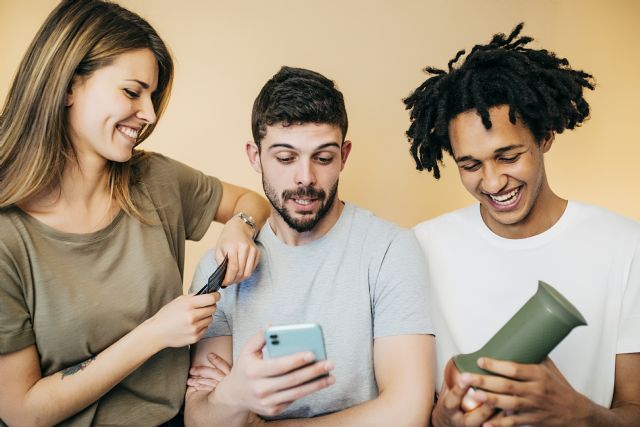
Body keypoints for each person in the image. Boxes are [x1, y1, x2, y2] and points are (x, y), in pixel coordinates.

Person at [0, 1, 270, 425]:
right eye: (132, 92)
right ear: (68, 86)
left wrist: (242, 226)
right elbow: (24, 413)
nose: (149, 114)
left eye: (152, 96)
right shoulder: (7, 236)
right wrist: (155, 334)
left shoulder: (157, 179)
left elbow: (251, 201)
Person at [404, 23, 640, 427]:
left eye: (509, 157)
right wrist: (442, 420)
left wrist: (578, 413)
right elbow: (410, 403)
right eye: (470, 165)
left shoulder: (626, 245)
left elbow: (635, 408)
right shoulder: (421, 247)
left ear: (544, 137)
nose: (493, 182)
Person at [184, 66, 435, 426]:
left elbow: (407, 413)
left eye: (323, 157)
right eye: (286, 158)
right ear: (255, 156)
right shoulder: (222, 267)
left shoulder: (390, 250)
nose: (305, 178)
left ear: (344, 155)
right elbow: (199, 419)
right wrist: (234, 395)